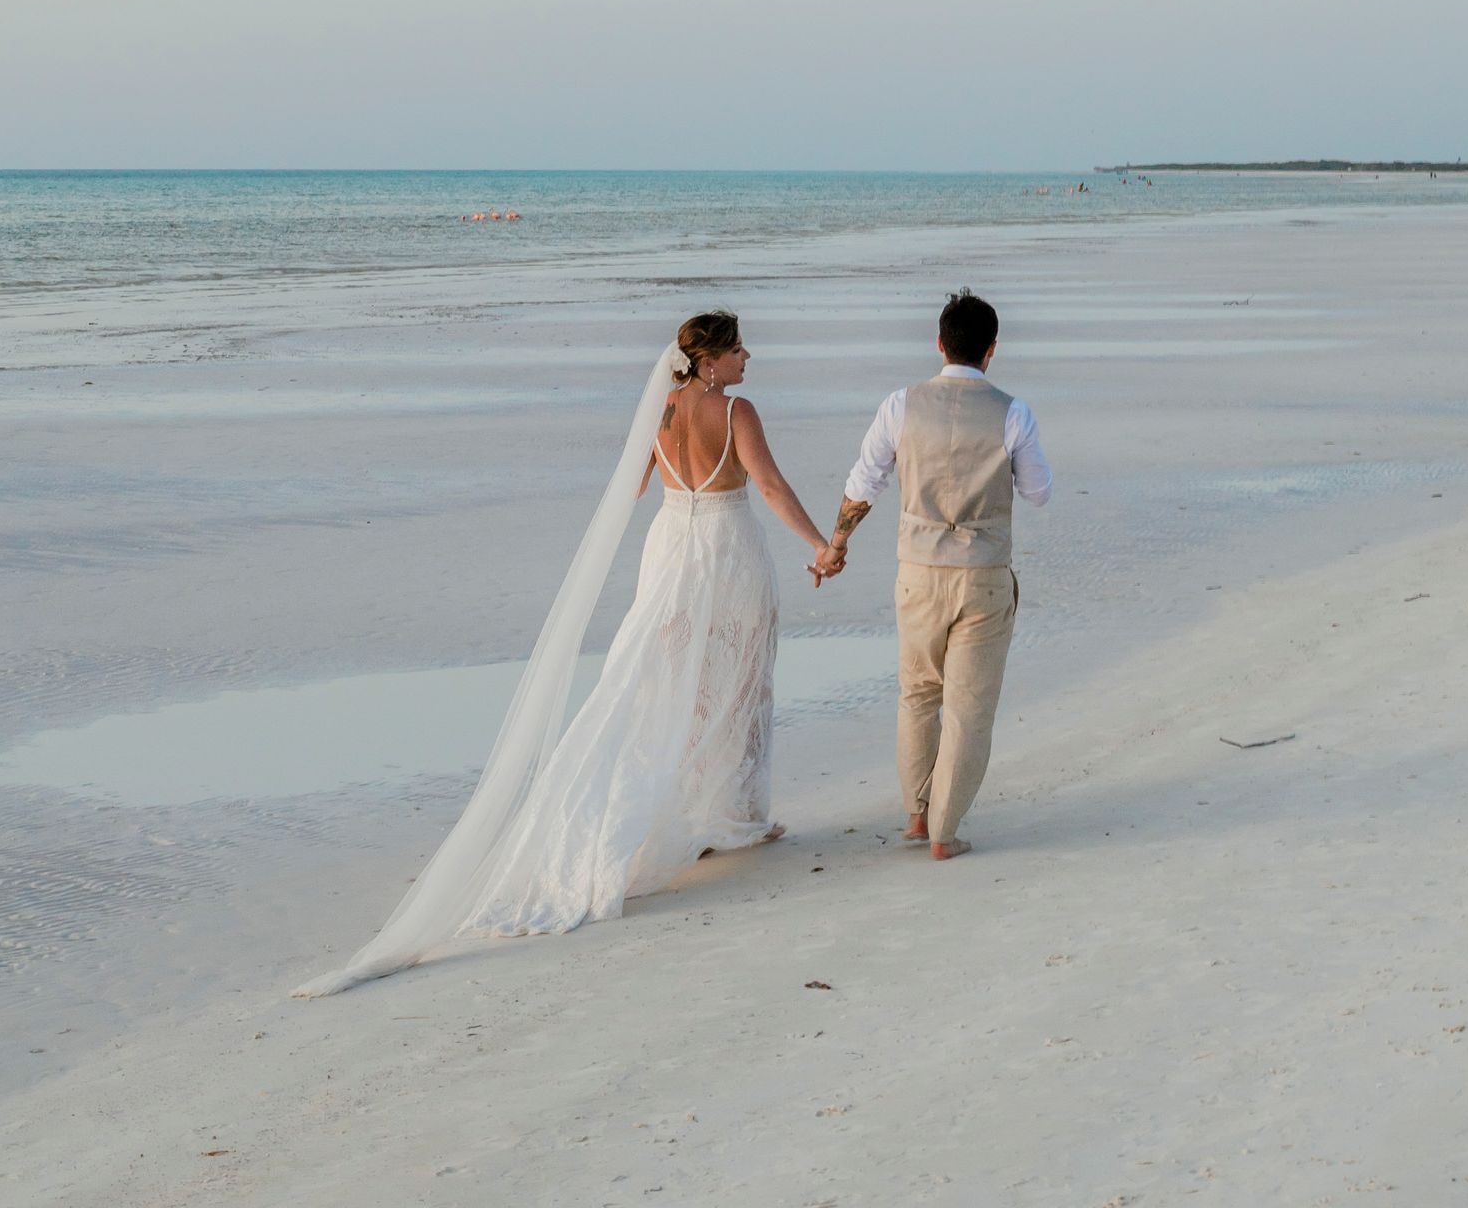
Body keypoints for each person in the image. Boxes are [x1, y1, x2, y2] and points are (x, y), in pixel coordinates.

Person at [299, 308, 838, 993]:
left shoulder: (664, 410)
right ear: (711, 362)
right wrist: (819, 544)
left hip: (671, 550)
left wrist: (671, 454)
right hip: (729, 553)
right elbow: (769, 486)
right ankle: (736, 816)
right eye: (736, 351)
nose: (746, 358)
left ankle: (707, 816)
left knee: (672, 683)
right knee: (741, 680)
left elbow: (634, 485)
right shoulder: (737, 412)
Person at [819, 288, 1051, 860]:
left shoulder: (901, 405)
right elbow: (1039, 493)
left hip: (917, 572)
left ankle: (917, 817)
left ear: (939, 344)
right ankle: (947, 833)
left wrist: (836, 545)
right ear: (991, 350)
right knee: (970, 706)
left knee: (918, 694)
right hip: (982, 574)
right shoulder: (1012, 411)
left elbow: (862, 484)